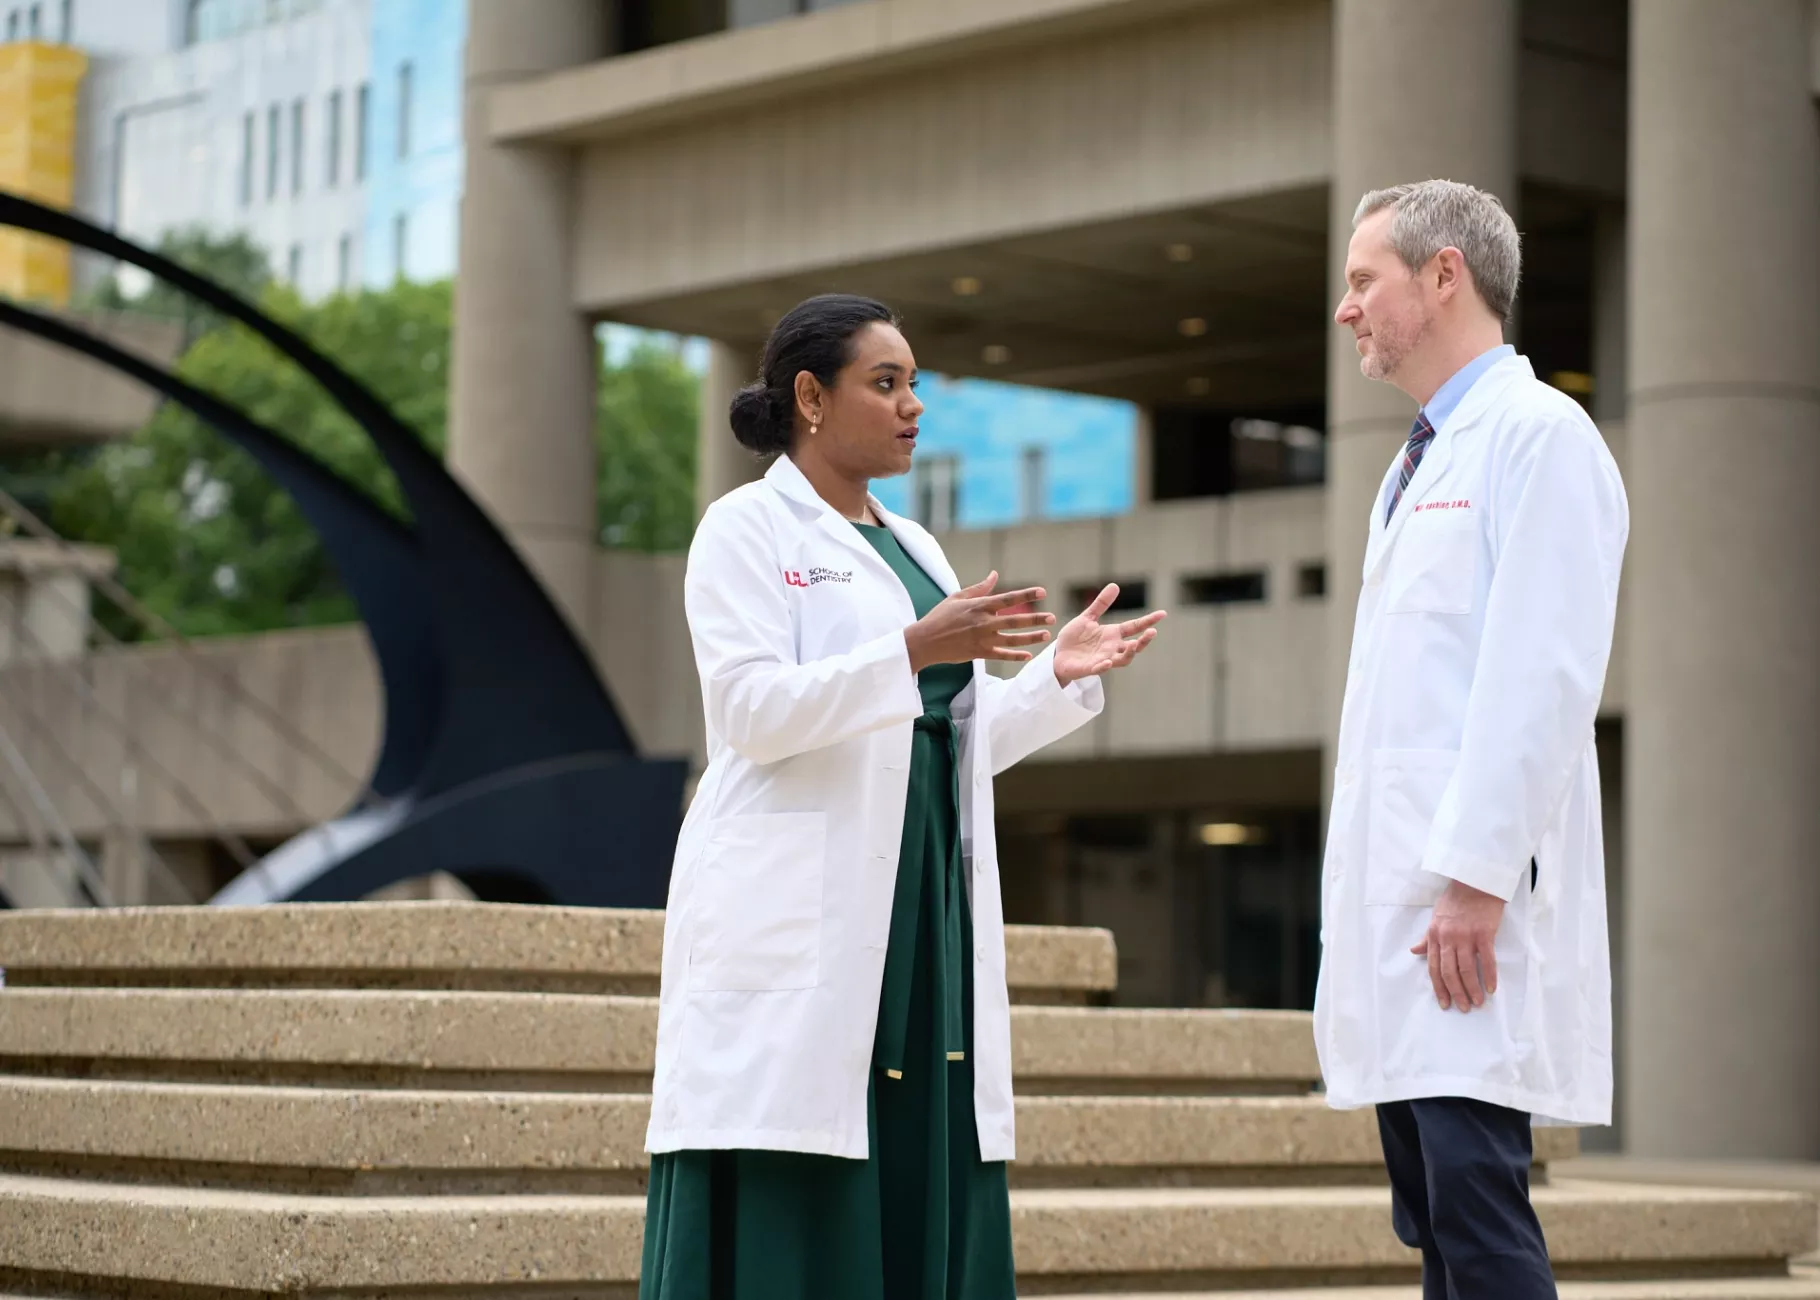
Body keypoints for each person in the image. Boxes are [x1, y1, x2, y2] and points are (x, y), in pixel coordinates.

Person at [639, 293, 1165, 1300]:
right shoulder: (745, 529)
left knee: (920, 1150)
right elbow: (748, 712)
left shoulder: (918, 549)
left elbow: (955, 743)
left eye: (914, 382)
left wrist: (1055, 673)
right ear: (809, 396)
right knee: (798, 1165)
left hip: (920, 906)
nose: (912, 404)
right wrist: (913, 648)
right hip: (806, 913)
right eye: (885, 383)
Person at [1315, 180, 1628, 1298]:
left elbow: (1538, 678)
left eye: (1363, 282)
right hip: (1412, 913)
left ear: (1442, 273)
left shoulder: (1539, 438)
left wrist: (1473, 876)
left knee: (1477, 1213)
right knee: (1438, 1223)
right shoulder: (1412, 469)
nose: (1345, 309)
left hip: (1464, 913)